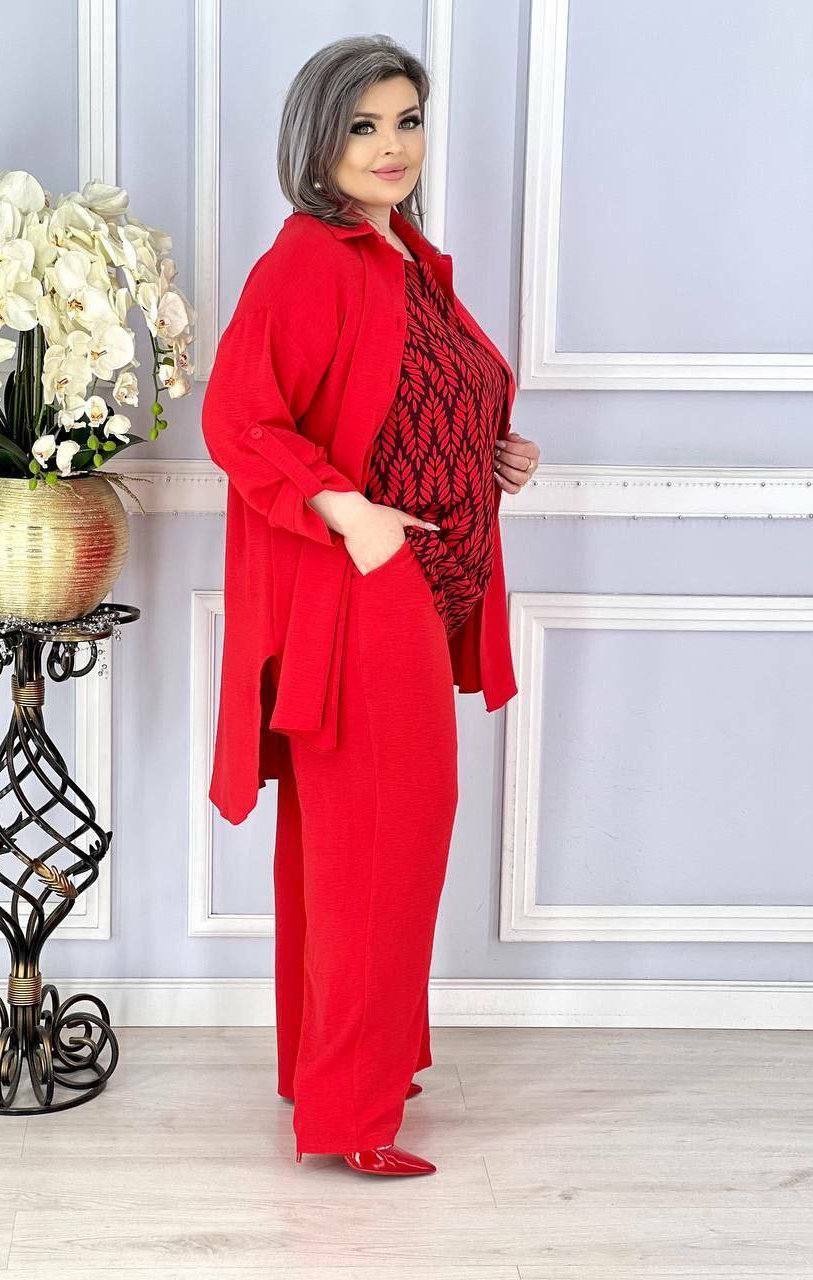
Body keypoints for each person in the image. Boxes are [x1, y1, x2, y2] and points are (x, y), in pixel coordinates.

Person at [201, 34, 540, 1177]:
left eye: (406, 121)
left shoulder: (405, 255)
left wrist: (489, 450)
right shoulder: (310, 258)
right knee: (379, 853)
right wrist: (352, 514)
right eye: (363, 125)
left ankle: (339, 1077)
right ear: (317, 139)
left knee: (358, 850)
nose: (391, 145)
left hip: (418, 591)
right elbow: (240, 419)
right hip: (365, 596)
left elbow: (400, 398)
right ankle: (351, 1117)